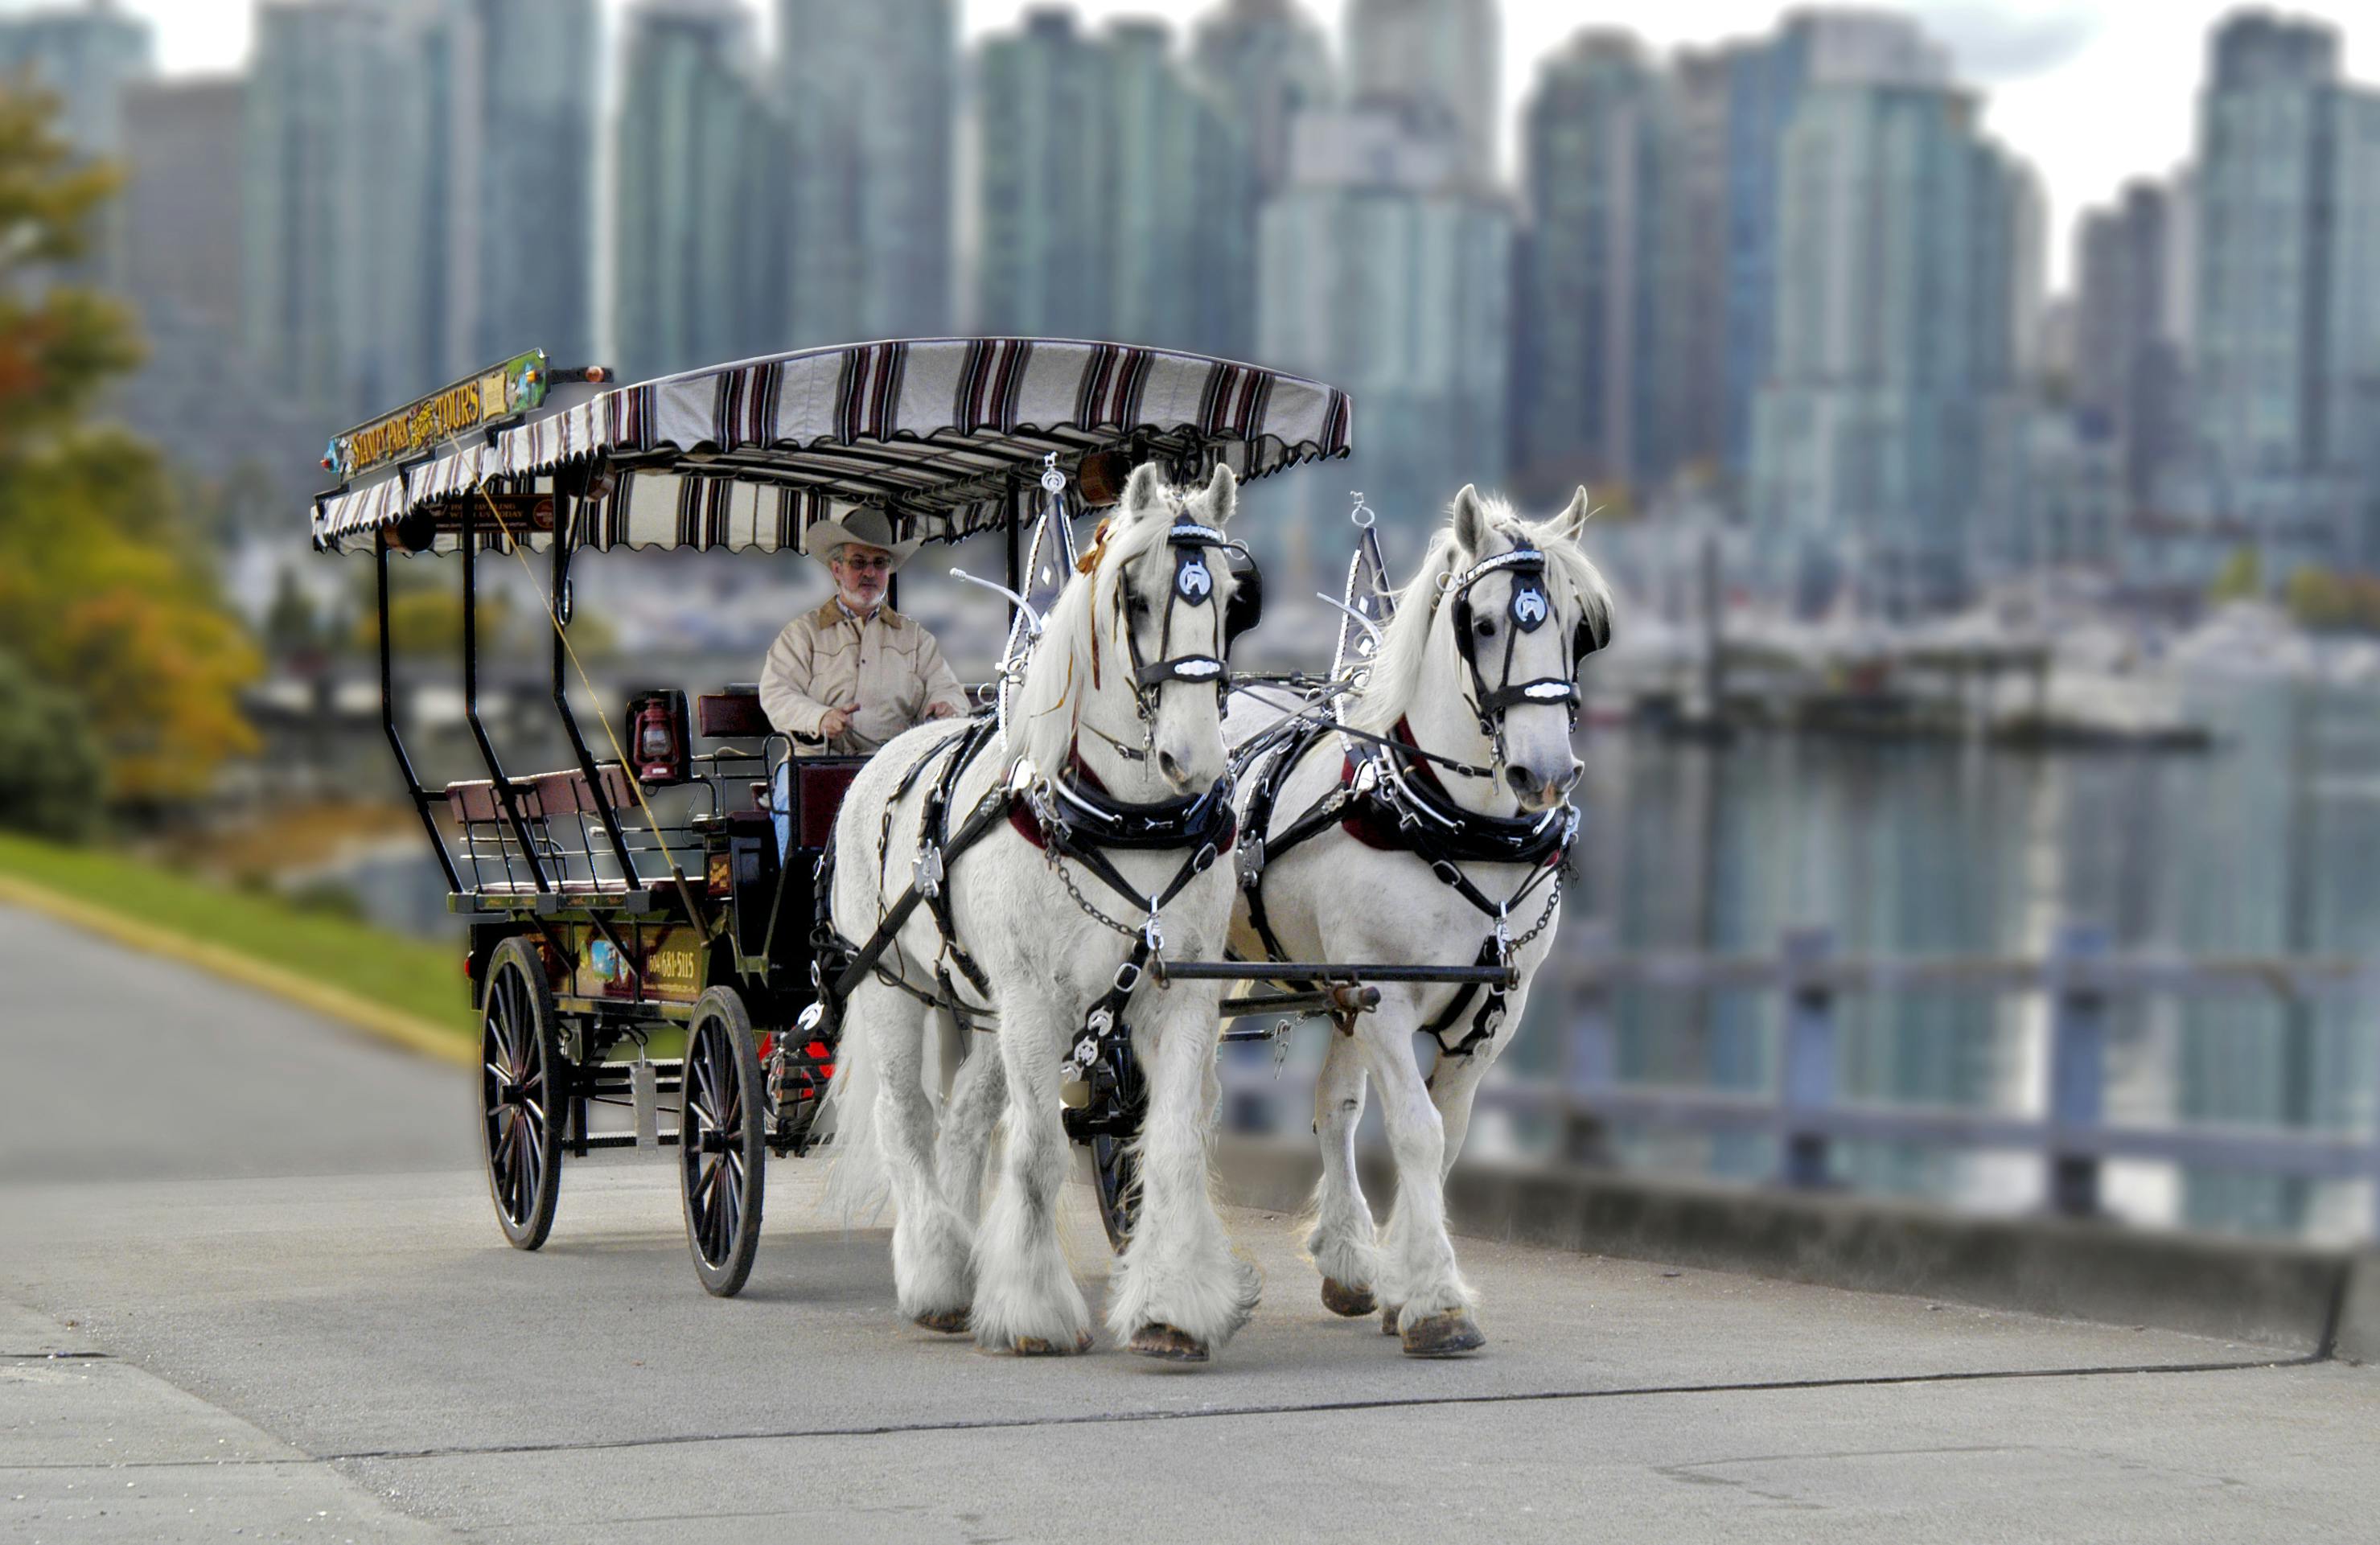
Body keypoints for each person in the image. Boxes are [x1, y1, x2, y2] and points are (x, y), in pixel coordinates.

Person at [761, 508, 968, 849]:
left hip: (897, 766)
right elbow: (777, 693)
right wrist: (821, 717)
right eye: (859, 563)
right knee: (798, 821)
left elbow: (947, 689)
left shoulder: (915, 638)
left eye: (880, 563)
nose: (869, 572)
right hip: (816, 765)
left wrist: (947, 708)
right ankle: (800, 899)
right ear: (836, 569)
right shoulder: (803, 634)